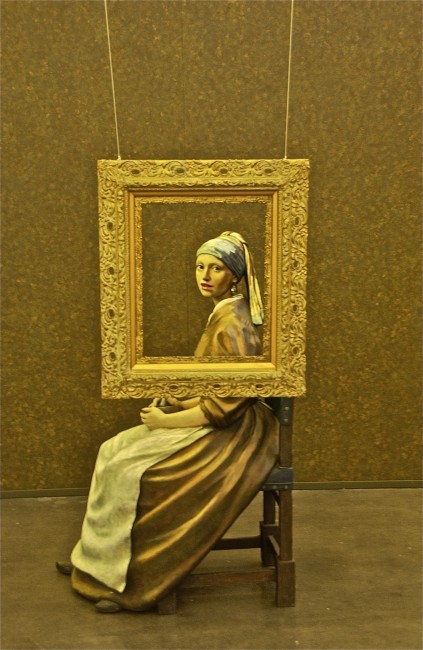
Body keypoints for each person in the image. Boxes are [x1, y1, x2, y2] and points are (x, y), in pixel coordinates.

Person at [56, 231, 279, 613]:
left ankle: (132, 580)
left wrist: (164, 421)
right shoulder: (224, 313)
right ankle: (96, 563)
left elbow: (225, 407)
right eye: (200, 266)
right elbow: (217, 390)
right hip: (221, 417)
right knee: (111, 450)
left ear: (235, 276)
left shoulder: (233, 324)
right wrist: (181, 399)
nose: (205, 275)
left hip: (235, 434)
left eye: (216, 268)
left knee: (132, 469)